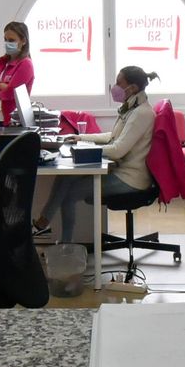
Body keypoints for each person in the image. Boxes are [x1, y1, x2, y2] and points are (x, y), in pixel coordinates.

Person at [34, 65, 158, 242]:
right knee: (65, 177)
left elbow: (118, 150)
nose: (114, 87)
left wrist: (84, 150)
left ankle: (65, 244)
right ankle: (45, 220)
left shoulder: (142, 113)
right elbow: (113, 136)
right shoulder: (131, 108)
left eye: (118, 83)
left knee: (69, 194)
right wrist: (80, 137)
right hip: (121, 171)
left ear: (133, 88)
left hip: (131, 179)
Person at [0, 21, 35, 126]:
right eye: (5, 40)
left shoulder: (26, 64)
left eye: (11, 40)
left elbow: (10, 93)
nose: (7, 43)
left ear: (23, 41)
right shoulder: (2, 61)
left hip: (14, 122)